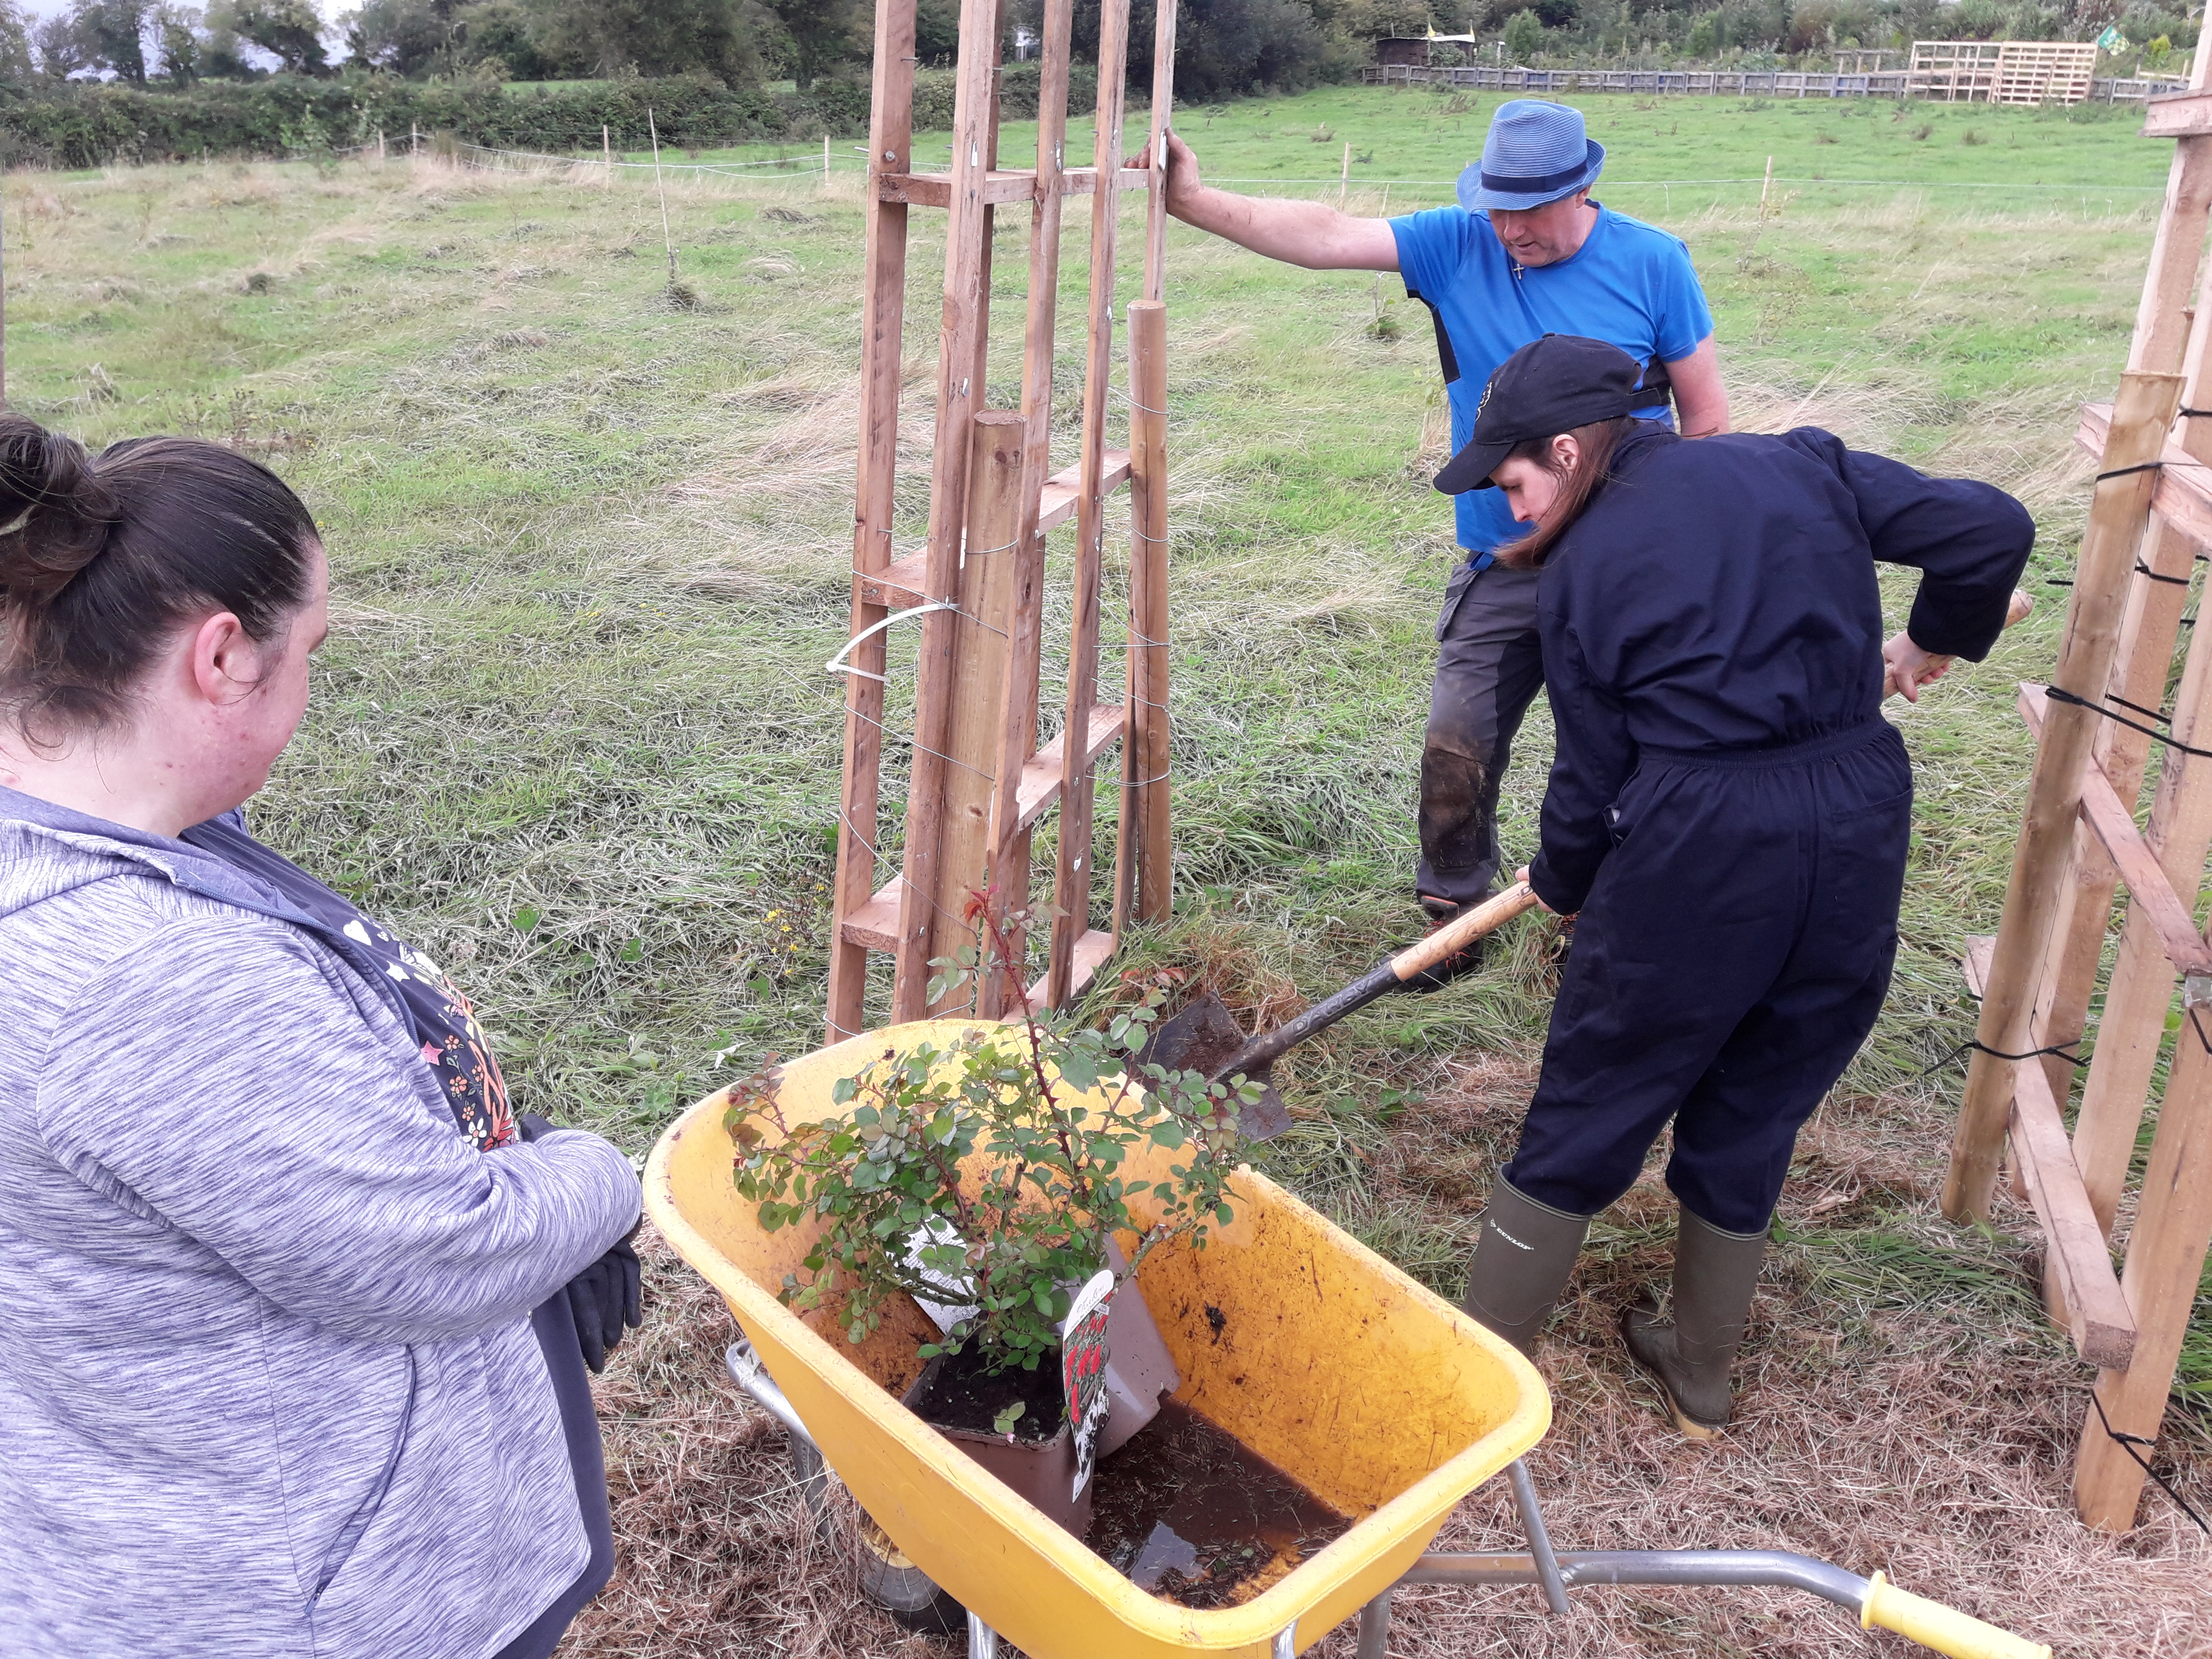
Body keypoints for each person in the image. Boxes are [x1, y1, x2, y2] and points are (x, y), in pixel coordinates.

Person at [0, 415, 646, 1659]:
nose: (311, 682)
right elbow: (434, 1256)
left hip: (142, 1517)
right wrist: (602, 1174)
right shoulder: (139, 979)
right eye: (311, 649)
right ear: (224, 657)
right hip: (313, 1601)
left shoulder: (91, 840)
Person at [1439, 335, 2032, 1436]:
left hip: (1701, 842)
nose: (1511, 513)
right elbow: (1991, 526)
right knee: (1766, 1084)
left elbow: (1593, 775)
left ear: (1566, 451)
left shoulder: (1583, 573)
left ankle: (1476, 1386)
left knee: (1600, 1087)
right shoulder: (1803, 464)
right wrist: (1935, 639)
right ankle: (1699, 1374)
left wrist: (1564, 880)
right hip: (1856, 815)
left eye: (1511, 484)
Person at [1167, 100, 1730, 966]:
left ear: (1582, 188)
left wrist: (1694, 555)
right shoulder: (1460, 241)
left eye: (1531, 209)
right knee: (1456, 738)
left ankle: (1612, 915)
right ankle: (1454, 913)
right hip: (1506, 551)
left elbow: (1707, 419)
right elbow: (1325, 234)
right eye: (1497, 205)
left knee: (1634, 741)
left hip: (1627, 559)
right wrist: (1194, 200)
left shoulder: (1653, 263)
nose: (1510, 228)